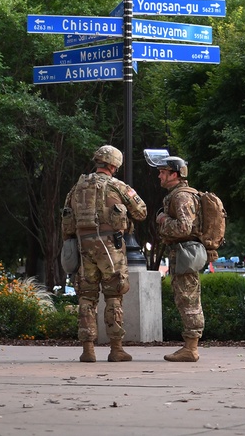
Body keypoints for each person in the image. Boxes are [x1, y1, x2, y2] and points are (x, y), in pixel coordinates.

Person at [61, 145, 147, 363]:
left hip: (84, 247)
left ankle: (88, 349)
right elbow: (141, 211)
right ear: (113, 165)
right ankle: (116, 349)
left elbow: (67, 221)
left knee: (86, 297)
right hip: (111, 248)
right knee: (113, 296)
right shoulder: (117, 186)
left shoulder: (77, 187)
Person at [155, 155, 206, 362]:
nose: (159, 176)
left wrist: (163, 219)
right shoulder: (177, 195)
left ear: (174, 174)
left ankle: (191, 348)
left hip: (185, 252)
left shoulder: (181, 196)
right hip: (183, 252)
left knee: (188, 299)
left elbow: (184, 227)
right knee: (185, 297)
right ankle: (189, 346)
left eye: (163, 172)